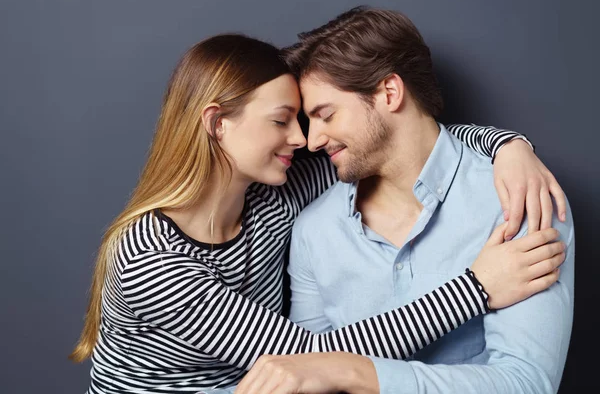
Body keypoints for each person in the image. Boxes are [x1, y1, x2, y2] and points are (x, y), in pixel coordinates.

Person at [68, 34, 567, 394]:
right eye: (282, 121)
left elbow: (401, 141)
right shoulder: (147, 258)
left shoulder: (276, 193)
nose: (304, 139)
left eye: (308, 119)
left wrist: (507, 147)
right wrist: (476, 287)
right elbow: (311, 353)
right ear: (217, 123)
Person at [235, 6, 574, 394]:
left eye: (326, 115)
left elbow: (526, 384)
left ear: (389, 92)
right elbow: (310, 368)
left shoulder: (517, 198)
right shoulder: (315, 229)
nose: (311, 141)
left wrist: (356, 373)